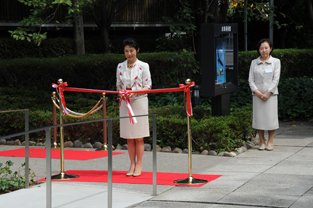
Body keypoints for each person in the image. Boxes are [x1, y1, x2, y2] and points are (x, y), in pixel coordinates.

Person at [116, 38, 152, 176]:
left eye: (131, 50)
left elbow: (148, 86)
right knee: (129, 137)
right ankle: (131, 164)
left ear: (137, 50)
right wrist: (122, 91)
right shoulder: (120, 66)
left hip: (139, 103)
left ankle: (139, 164)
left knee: (139, 136)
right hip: (125, 103)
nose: (129, 53)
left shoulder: (144, 66)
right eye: (126, 51)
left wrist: (134, 92)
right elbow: (118, 84)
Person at [248, 38, 281, 151]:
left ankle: (270, 141)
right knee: (259, 119)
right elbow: (250, 80)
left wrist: (267, 93)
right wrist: (257, 92)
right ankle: (262, 141)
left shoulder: (276, 62)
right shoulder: (254, 63)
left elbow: (276, 79)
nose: (264, 50)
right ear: (259, 50)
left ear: (270, 49)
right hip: (257, 96)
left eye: (266, 48)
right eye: (261, 48)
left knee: (270, 119)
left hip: (271, 96)